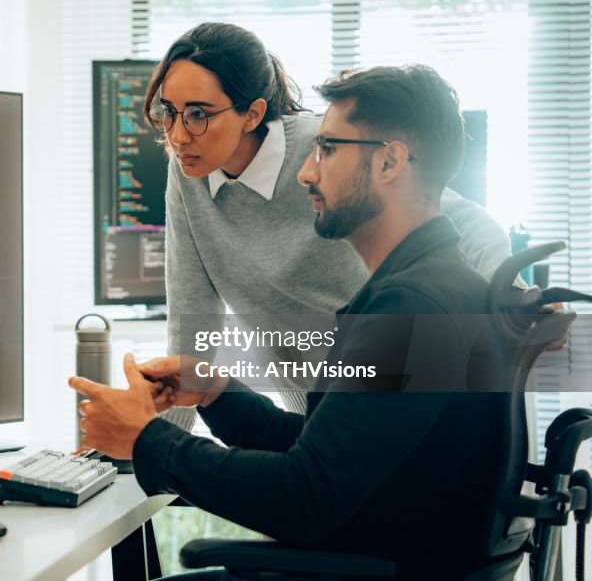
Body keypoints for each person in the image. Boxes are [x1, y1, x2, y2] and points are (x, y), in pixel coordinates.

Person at [70, 65, 508, 578]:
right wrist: (217, 393)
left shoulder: (408, 309)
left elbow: (305, 496)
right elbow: (325, 454)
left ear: (389, 162)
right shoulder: (427, 289)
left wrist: (146, 439)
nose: (305, 173)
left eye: (327, 150)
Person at [147, 22, 510, 412]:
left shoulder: (324, 148)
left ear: (251, 114)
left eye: (198, 114)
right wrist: (147, 438)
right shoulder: (189, 172)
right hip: (310, 406)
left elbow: (459, 218)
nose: (178, 135)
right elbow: (192, 317)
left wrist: (509, 295)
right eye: (169, 112)